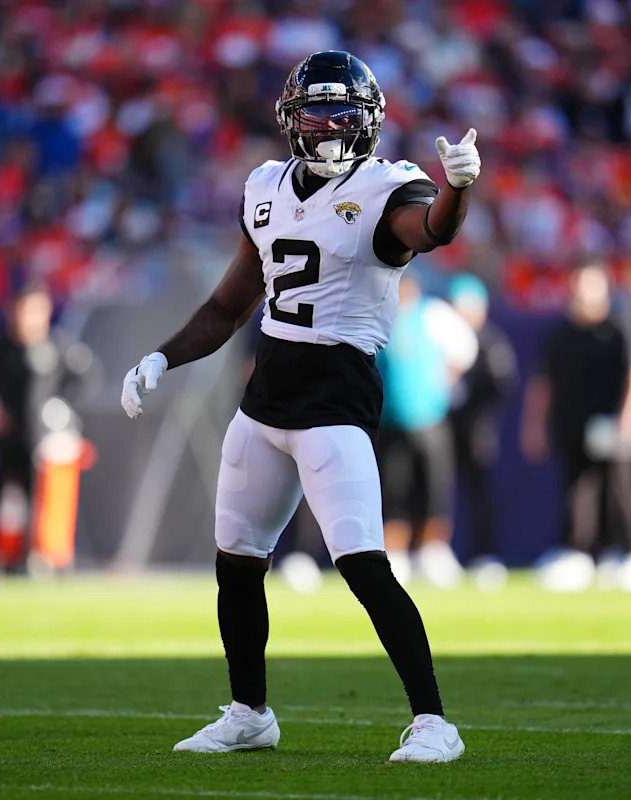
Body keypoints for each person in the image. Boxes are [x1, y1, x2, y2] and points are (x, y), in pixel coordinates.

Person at [120, 51, 480, 762]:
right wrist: (162, 356)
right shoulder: (265, 186)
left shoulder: (386, 187)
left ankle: (434, 722)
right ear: (291, 119)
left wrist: (457, 191)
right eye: (317, 112)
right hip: (265, 398)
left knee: (363, 564)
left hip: (336, 397)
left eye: (344, 114)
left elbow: (431, 229)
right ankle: (249, 713)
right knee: (236, 562)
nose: (329, 127)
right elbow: (230, 304)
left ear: (368, 122)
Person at [520, 262, 631, 593]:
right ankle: (579, 553)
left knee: (625, 486)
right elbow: (542, 383)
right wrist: (534, 426)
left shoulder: (622, 324)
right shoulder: (560, 333)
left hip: (620, 420)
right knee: (579, 488)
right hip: (577, 423)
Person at [0, 283, 93, 581]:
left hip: (40, 439)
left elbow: (85, 377)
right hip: (5, 439)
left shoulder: (57, 348)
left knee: (40, 501)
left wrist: (61, 408)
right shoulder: (0, 349)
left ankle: (34, 557)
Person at [377, 275, 477, 588]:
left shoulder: (434, 314)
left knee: (434, 487)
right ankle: (395, 552)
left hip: (430, 420)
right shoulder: (380, 316)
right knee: (394, 488)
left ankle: (433, 550)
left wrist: (441, 384)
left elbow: (465, 349)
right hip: (391, 421)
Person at [446, 274, 518, 590]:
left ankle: (485, 554)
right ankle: (436, 551)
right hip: (444, 431)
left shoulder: (490, 342)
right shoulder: (441, 340)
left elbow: (502, 384)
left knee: (481, 495)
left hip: (477, 432)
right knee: (438, 491)